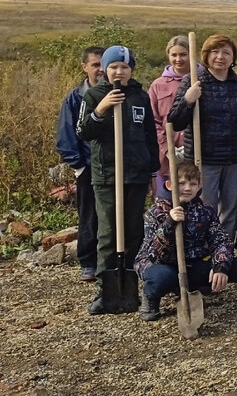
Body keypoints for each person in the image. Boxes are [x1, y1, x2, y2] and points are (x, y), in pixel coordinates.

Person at [77, 46, 158, 315]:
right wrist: (100, 111)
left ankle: (132, 286)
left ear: (131, 69)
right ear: (105, 70)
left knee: (134, 230)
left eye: (124, 67)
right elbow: (83, 132)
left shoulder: (140, 97)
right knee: (109, 232)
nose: (119, 72)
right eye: (113, 67)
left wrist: (152, 171)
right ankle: (106, 289)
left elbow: (149, 136)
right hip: (107, 175)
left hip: (135, 174)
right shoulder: (94, 95)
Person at [167, 34, 237, 242]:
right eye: (215, 52)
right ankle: (202, 253)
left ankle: (224, 254)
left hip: (236, 158)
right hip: (204, 159)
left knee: (230, 210)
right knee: (206, 208)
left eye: (226, 52)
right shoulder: (193, 81)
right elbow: (175, 121)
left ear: (233, 57)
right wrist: (188, 100)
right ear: (206, 56)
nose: (220, 57)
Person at [134, 160, 237, 321]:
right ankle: (151, 295)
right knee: (162, 278)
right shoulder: (156, 212)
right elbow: (155, 253)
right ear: (170, 185)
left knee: (235, 267)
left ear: (199, 186)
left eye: (192, 184)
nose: (187, 188)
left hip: (193, 261)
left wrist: (220, 266)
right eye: (181, 183)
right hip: (163, 264)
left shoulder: (205, 211)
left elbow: (220, 240)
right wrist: (169, 224)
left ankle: (198, 286)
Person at [57, 46, 104, 282]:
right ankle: (89, 262)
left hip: (116, 167)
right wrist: (80, 166)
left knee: (119, 216)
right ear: (84, 67)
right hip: (88, 167)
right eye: (95, 65)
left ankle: (119, 262)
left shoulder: (121, 94)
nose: (101, 69)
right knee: (89, 216)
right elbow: (66, 137)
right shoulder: (75, 98)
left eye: (104, 64)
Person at [148, 35, 189, 200]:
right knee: (167, 201)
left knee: (193, 198)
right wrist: (166, 148)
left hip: (195, 152)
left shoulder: (202, 80)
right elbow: (153, 121)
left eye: (183, 54)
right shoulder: (159, 84)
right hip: (166, 156)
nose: (178, 59)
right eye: (174, 55)